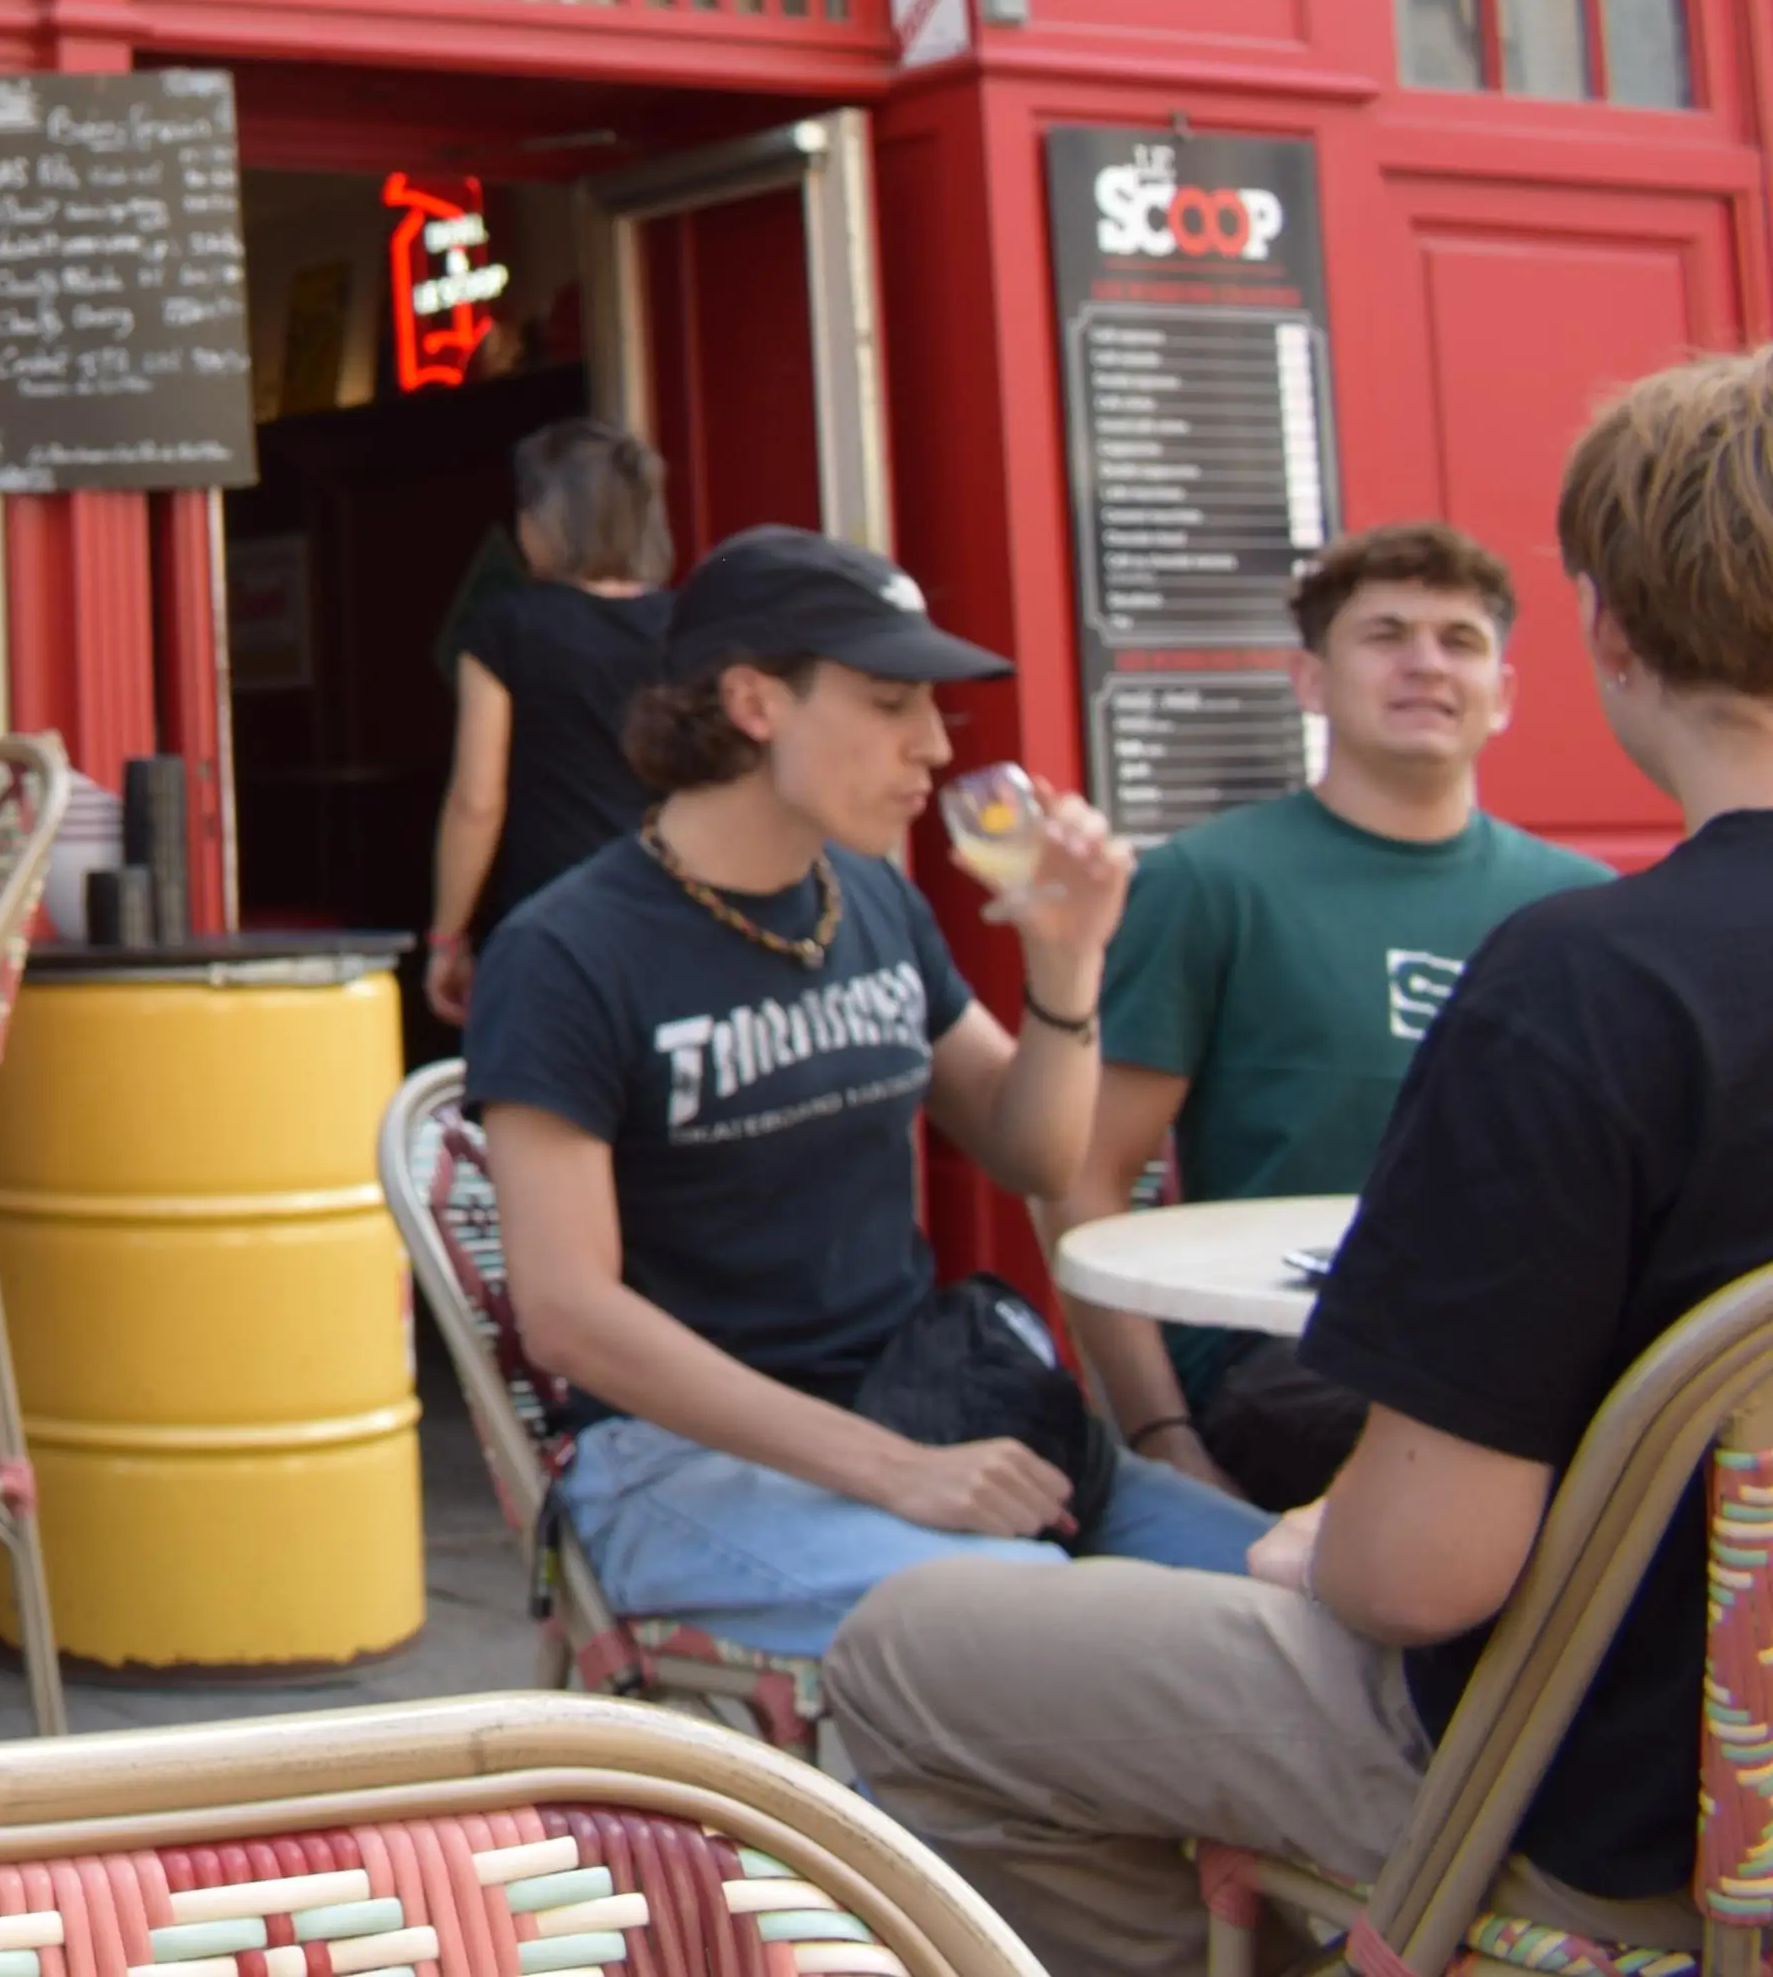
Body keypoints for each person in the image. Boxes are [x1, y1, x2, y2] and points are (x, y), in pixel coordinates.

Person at [830, 354, 1773, 1977]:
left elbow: (1422, 1572)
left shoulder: (1589, 978)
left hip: (1602, 1797)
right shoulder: (1337, 903)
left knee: (906, 1649)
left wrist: (1319, 1538)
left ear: (1606, 635)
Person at [462, 526, 1267, 1656]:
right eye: (889, 703)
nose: (933, 746)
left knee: (1286, 1587)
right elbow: (568, 1315)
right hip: (677, 1464)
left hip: (917, 1401)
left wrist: (1066, 966)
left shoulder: (869, 900)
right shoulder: (568, 949)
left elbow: (1030, 1152)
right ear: (752, 702)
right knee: (1079, 1639)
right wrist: (899, 1476)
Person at [1053, 523, 1605, 1508]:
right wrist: (1157, 1435)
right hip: (1279, 1382)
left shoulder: (1576, 910)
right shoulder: (1203, 884)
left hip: (1511, 1380)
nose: (1423, 665)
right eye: (1385, 634)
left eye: (1458, 641)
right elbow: (1082, 1179)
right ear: (1309, 682)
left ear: (1503, 695)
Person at [424, 416, 676, 1023]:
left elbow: (477, 800)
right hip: (676, 912)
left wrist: (447, 938)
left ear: (546, 519)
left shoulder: (505, 626)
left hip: (555, 924)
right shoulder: (690, 623)